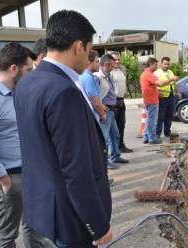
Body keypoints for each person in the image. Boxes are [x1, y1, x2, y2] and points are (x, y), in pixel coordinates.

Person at [14, 10, 113, 247]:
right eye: (89, 51)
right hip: (71, 215)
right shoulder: (63, 90)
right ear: (78, 46)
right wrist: (97, 225)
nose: (90, 58)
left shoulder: (28, 81)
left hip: (45, 205)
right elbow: (76, 168)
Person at [0, 42, 46, 248]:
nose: (31, 74)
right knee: (7, 234)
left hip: (29, 172)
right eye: (28, 69)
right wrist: (2, 178)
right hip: (6, 177)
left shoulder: (19, 92)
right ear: (13, 69)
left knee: (35, 226)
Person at [80, 50, 116, 186]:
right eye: (96, 61)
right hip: (95, 118)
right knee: (102, 147)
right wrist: (102, 113)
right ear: (88, 62)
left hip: (91, 118)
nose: (98, 63)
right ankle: (102, 180)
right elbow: (95, 101)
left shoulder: (85, 76)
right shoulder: (88, 78)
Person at [94, 54, 129, 165]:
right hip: (105, 110)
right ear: (107, 64)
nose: (113, 67)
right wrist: (101, 109)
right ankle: (105, 163)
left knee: (115, 134)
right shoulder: (97, 77)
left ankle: (115, 156)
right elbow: (94, 95)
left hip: (112, 109)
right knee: (105, 138)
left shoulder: (108, 75)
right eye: (111, 65)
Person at [140, 57, 171, 144]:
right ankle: (152, 139)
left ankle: (146, 137)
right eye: (155, 65)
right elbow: (160, 84)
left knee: (148, 120)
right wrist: (171, 79)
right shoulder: (149, 74)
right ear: (150, 64)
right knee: (152, 121)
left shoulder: (145, 73)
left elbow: (149, 87)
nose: (156, 67)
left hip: (149, 99)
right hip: (151, 101)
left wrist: (157, 93)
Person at [110, 52, 133, 153]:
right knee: (113, 128)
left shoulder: (121, 70)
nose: (117, 61)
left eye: (119, 59)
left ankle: (121, 145)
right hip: (113, 102)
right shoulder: (109, 72)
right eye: (115, 60)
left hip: (121, 100)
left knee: (121, 124)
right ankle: (114, 150)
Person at [154, 57, 180, 139]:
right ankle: (157, 134)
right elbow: (155, 85)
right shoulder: (156, 73)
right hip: (162, 97)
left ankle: (167, 132)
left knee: (169, 116)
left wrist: (177, 91)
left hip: (171, 96)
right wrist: (157, 92)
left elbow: (174, 83)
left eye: (168, 64)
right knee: (160, 117)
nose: (167, 65)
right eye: (165, 64)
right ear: (161, 64)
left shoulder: (170, 72)